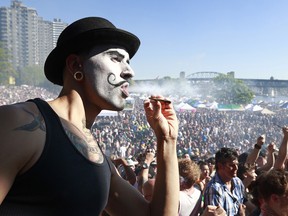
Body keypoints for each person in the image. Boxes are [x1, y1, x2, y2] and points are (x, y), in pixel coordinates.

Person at [0, 17, 179, 215]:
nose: (129, 72)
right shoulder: (18, 123)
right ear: (76, 65)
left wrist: (167, 139)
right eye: (115, 58)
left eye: (127, 62)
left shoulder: (100, 160)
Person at [203, 148, 246, 216]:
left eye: (237, 164)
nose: (236, 168)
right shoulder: (214, 189)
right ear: (220, 166)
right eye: (231, 165)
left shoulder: (238, 182)